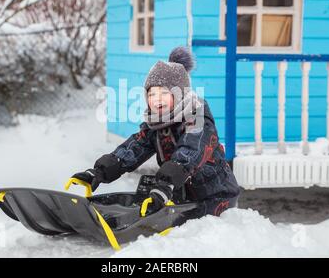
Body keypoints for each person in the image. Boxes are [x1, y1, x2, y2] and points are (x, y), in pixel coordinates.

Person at [71, 46, 240, 219]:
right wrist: (100, 171)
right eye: (151, 94)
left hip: (216, 198)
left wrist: (165, 183)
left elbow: (190, 152)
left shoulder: (198, 118)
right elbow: (134, 148)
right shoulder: (156, 123)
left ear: (180, 94)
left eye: (164, 93)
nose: (157, 99)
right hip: (179, 194)